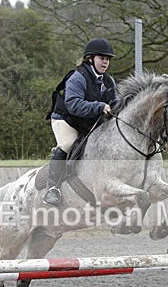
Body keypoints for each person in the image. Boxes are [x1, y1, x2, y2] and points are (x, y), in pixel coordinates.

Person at [44, 38, 118, 206]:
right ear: (90, 58)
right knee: (69, 144)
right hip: (66, 118)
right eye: (101, 58)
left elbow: (115, 103)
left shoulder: (109, 81)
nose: (105, 62)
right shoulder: (78, 77)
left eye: (107, 59)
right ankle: (52, 188)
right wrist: (99, 106)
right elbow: (73, 105)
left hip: (86, 121)